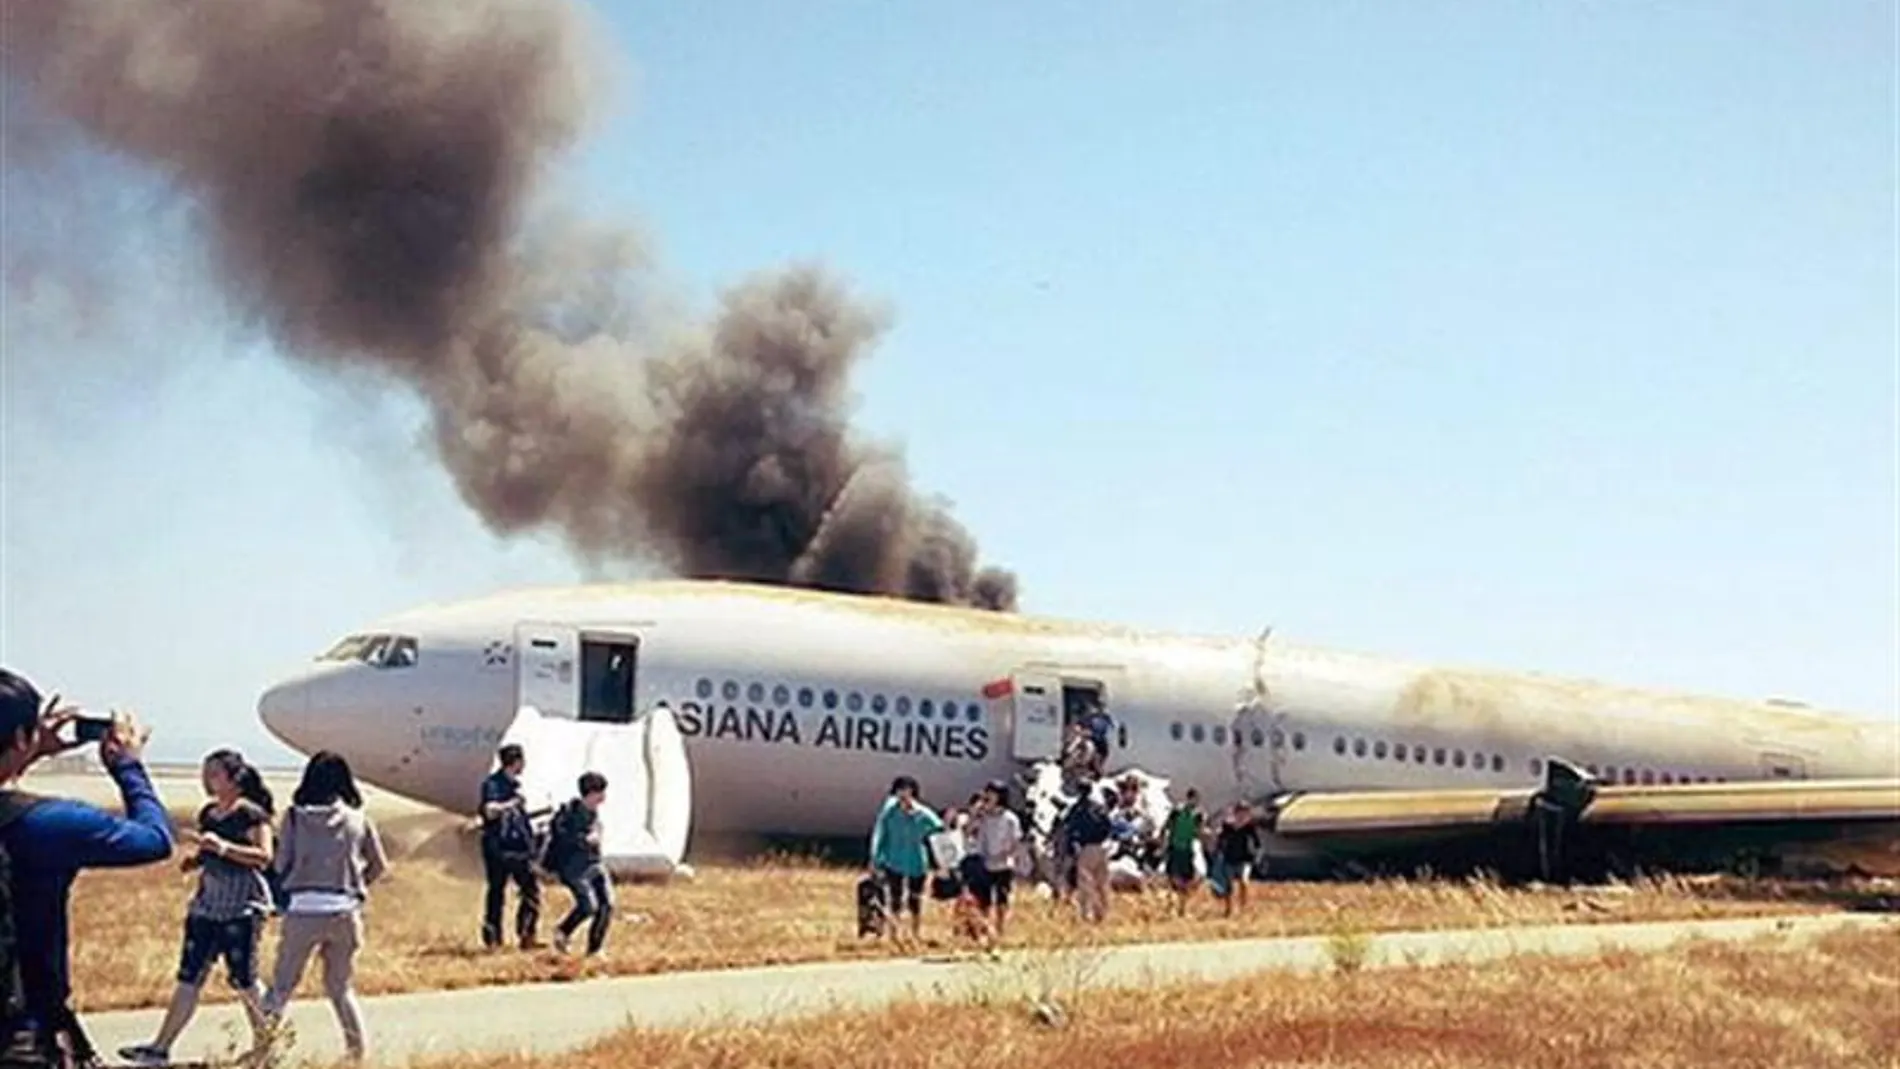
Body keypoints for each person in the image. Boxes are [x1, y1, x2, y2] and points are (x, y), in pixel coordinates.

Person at [0, 671, 173, 1069]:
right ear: (20, 738)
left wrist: (28, 749)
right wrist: (129, 767)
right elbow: (154, 839)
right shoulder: (46, 823)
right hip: (21, 1034)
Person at [117, 750, 277, 1066]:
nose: (207, 780)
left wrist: (224, 848)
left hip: (241, 904)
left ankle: (266, 1044)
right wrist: (198, 859)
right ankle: (160, 1047)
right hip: (208, 902)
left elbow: (263, 856)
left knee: (244, 978)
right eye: (206, 773)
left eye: (215, 774)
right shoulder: (209, 814)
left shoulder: (251, 815)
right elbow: (211, 852)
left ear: (234, 779)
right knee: (189, 975)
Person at [262, 751, 389, 1063]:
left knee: (281, 988)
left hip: (304, 908)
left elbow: (280, 865)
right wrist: (357, 887)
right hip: (345, 910)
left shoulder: (294, 817)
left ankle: (262, 1052)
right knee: (341, 988)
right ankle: (356, 1053)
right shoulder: (358, 819)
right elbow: (379, 865)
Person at [477, 744, 541, 950]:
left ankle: (526, 934)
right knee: (497, 891)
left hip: (518, 847)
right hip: (499, 847)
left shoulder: (515, 786)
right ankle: (493, 937)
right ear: (516, 762)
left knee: (530, 891)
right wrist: (512, 803)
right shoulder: (493, 784)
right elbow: (489, 810)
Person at [867, 776, 943, 943]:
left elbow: (938, 826)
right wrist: (875, 857)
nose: (903, 793)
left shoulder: (921, 812)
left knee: (915, 899)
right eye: (900, 789)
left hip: (916, 861)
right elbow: (880, 833)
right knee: (895, 897)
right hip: (894, 860)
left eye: (907, 790)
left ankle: (915, 932)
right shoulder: (889, 811)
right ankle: (894, 934)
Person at [546, 772, 612, 957]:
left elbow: (597, 830)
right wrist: (585, 839)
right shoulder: (569, 814)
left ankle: (595, 948)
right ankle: (563, 932)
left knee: (607, 904)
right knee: (588, 905)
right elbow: (563, 838)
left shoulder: (594, 813)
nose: (603, 797)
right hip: (574, 868)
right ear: (590, 793)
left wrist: (597, 835)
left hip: (595, 863)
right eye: (600, 792)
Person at [969, 781, 1023, 940]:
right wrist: (975, 814)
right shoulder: (983, 817)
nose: (988, 797)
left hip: (1003, 863)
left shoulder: (1010, 818)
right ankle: (984, 930)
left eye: (991, 794)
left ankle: (1000, 930)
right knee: (983, 900)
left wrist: (1005, 854)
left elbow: (1016, 841)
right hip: (984, 863)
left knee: (1001, 899)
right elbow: (968, 832)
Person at [1061, 785, 1115, 923]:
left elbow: (1069, 827)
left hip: (1086, 848)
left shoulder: (1078, 808)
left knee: (1085, 883)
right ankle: (1104, 913)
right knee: (1102, 882)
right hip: (1102, 848)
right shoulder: (1098, 808)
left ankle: (1087, 914)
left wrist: (1072, 847)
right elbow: (1108, 825)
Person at [1213, 801, 1260, 917]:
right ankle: (1228, 909)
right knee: (1229, 885)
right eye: (1240, 812)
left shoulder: (1250, 827)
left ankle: (1243, 908)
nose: (1242, 815)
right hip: (1230, 857)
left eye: (1245, 812)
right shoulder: (1228, 826)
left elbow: (1257, 842)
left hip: (1245, 858)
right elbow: (1221, 840)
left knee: (1244, 881)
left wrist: (1256, 855)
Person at [1163, 788, 1204, 916]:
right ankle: (1171, 906)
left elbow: (1199, 831)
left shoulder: (1198, 815)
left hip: (1187, 849)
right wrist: (1162, 840)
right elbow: (1167, 825)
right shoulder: (1177, 811)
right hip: (1175, 847)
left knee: (1186, 880)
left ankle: (1182, 908)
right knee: (1172, 878)